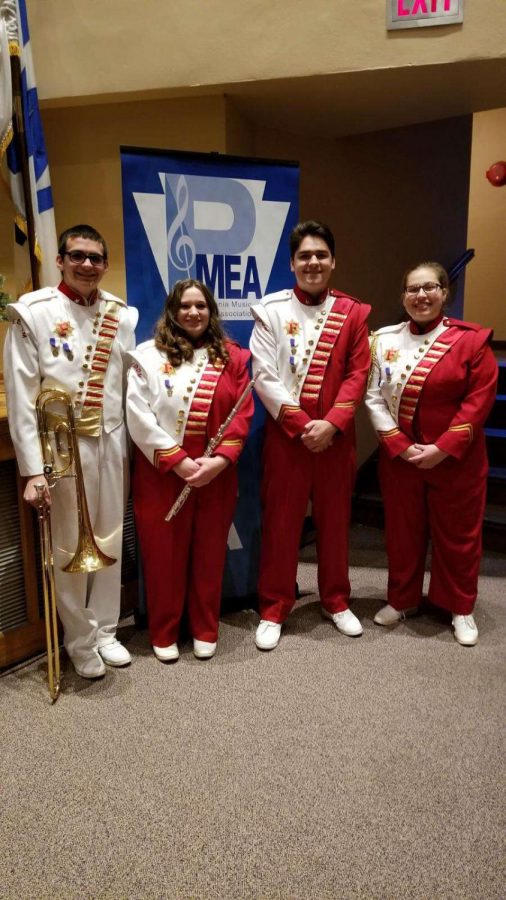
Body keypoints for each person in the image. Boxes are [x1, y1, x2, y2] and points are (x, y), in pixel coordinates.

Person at [4, 224, 138, 678]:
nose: (87, 265)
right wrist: (32, 471)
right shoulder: (34, 313)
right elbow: (23, 396)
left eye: (96, 258)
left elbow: (131, 385)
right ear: (60, 260)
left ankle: (105, 630)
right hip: (61, 449)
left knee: (109, 537)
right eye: (77, 255)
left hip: (111, 439)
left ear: (104, 264)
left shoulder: (120, 313)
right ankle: (79, 640)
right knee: (68, 545)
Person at [249, 220, 371, 650]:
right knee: (281, 524)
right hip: (289, 438)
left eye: (321, 255)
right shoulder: (271, 310)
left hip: (336, 438)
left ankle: (336, 600)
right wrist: (304, 426)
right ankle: (274, 606)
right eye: (305, 256)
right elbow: (262, 376)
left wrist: (333, 423)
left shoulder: (354, 313)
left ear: (333, 261)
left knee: (335, 523)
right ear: (292, 263)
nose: (313, 262)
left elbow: (359, 373)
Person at [365, 262, 498, 646]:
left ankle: (459, 606)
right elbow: (373, 397)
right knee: (403, 534)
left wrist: (443, 448)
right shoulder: (383, 340)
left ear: (444, 293)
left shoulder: (470, 341)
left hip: (457, 460)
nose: (420, 296)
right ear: (403, 296)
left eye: (429, 288)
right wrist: (397, 444)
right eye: (412, 289)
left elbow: (478, 402)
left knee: (458, 536)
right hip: (401, 459)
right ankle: (402, 599)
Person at [126, 279, 253, 662]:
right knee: (163, 556)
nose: (193, 313)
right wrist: (177, 460)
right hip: (162, 474)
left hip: (216, 475)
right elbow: (137, 413)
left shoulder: (234, 359)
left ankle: (204, 626)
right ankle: (164, 630)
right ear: (172, 311)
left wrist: (218, 461)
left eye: (201, 306)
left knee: (209, 555)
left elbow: (241, 417)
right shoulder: (147, 356)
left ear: (211, 311)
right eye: (185, 306)